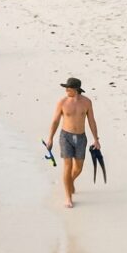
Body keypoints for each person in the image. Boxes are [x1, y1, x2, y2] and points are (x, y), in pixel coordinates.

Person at [45, 77, 101, 209]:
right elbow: (55, 121)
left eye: (68, 89)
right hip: (66, 137)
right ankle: (68, 197)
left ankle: (70, 181)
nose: (65, 90)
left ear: (75, 90)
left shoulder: (87, 102)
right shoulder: (62, 102)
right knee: (67, 166)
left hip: (81, 138)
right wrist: (50, 138)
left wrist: (96, 139)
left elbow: (92, 121)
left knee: (78, 168)